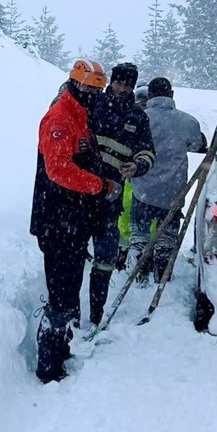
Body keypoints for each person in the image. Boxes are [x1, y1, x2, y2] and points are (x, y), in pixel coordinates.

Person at [30, 59, 124, 383]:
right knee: (59, 295)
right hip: (57, 222)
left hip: (74, 221)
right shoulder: (59, 118)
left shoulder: (80, 116)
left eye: (98, 90)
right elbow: (59, 170)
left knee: (70, 291)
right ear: (75, 83)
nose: (93, 94)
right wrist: (98, 185)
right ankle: (48, 364)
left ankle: (61, 349)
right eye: (88, 88)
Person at [84, 63, 155, 326]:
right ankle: (69, 312)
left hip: (111, 198)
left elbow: (148, 151)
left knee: (105, 260)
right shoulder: (92, 105)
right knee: (74, 254)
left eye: (128, 85)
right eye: (119, 83)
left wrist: (138, 165)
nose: (123, 89)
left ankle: (95, 315)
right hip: (80, 195)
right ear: (110, 83)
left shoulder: (138, 117)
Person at [128, 77, 208, 283]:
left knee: (141, 231)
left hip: (143, 187)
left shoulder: (140, 118)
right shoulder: (188, 122)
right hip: (173, 191)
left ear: (150, 95)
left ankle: (140, 269)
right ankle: (163, 269)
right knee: (167, 234)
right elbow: (197, 145)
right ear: (171, 94)